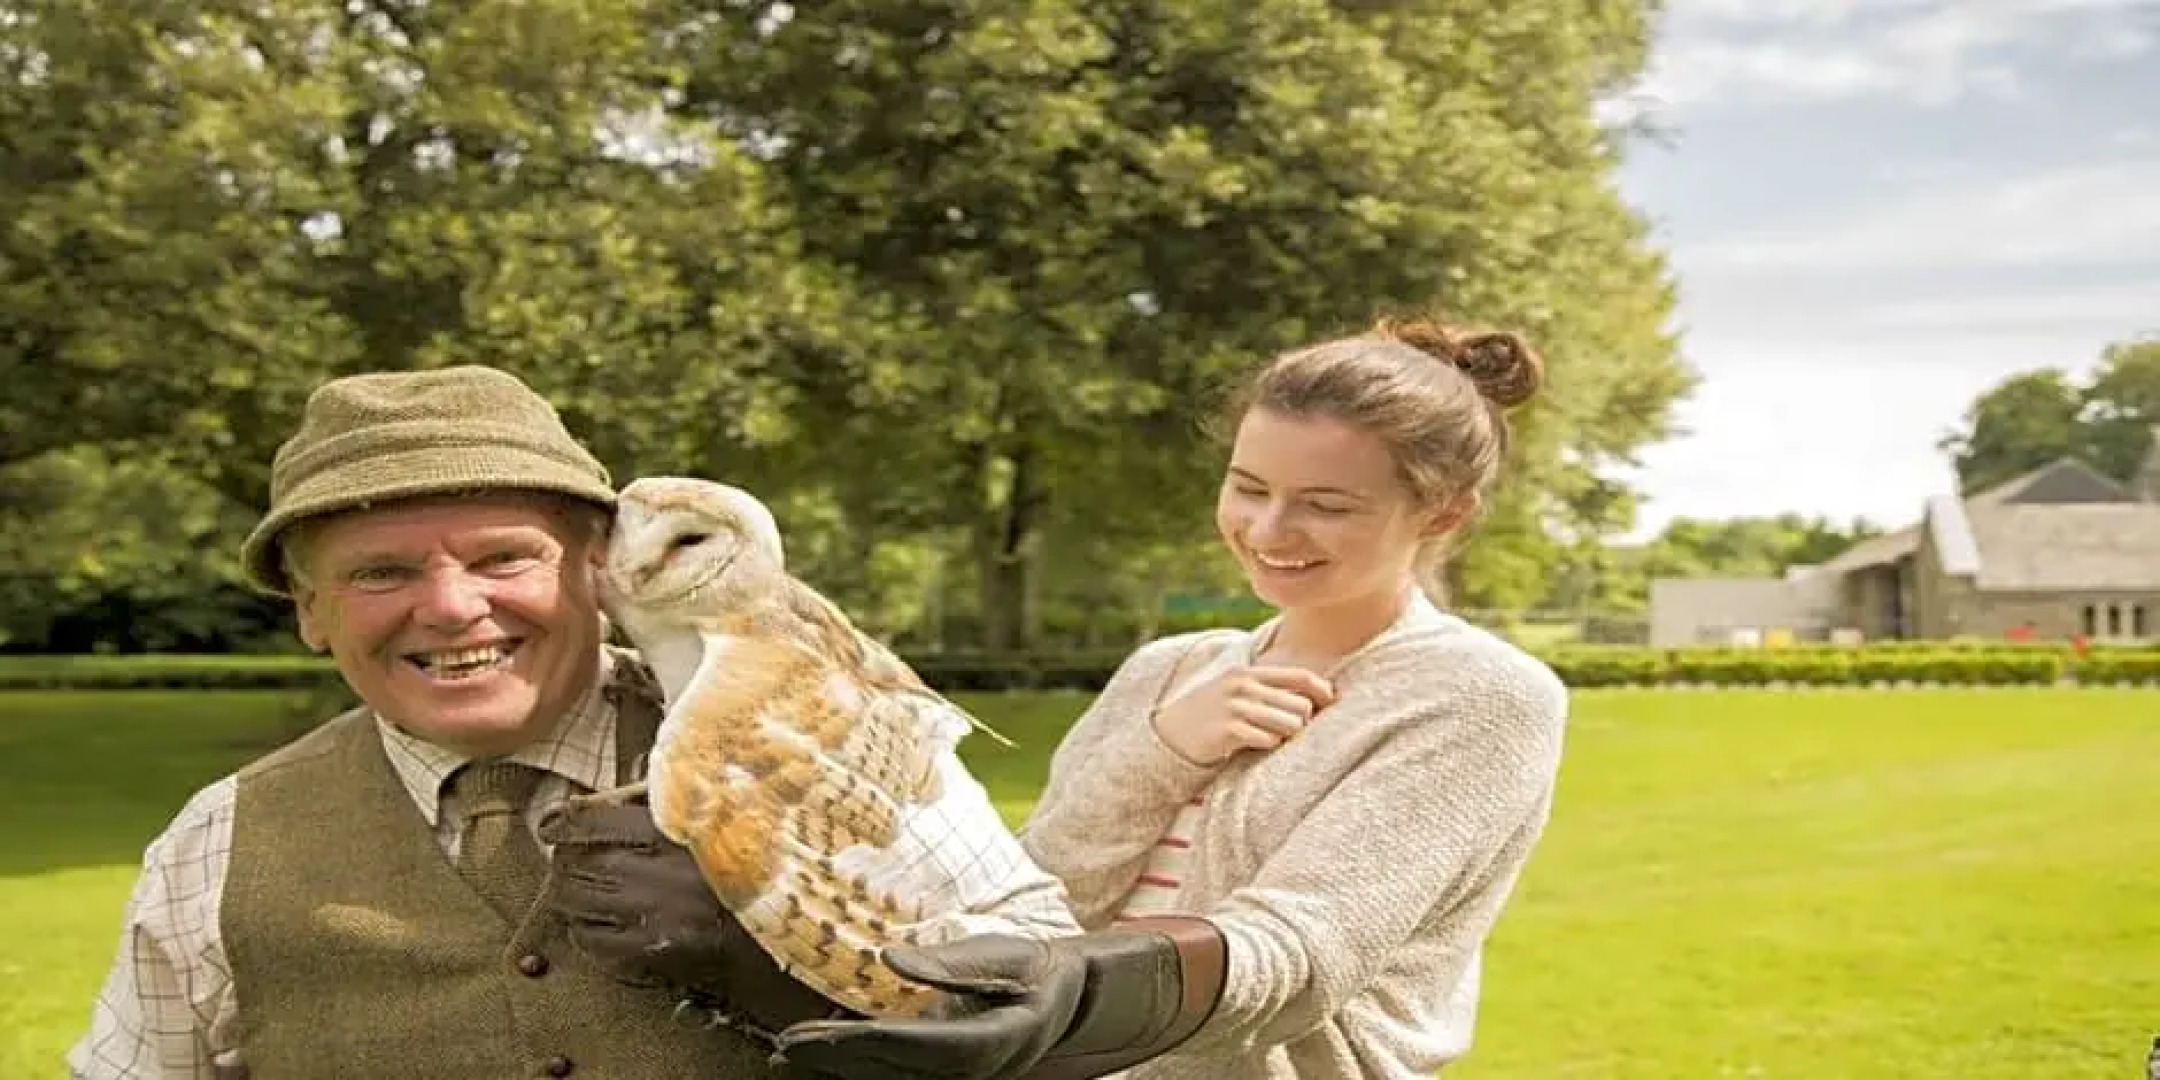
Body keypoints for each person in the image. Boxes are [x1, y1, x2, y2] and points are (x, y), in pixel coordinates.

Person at [555, 316, 1574, 1080]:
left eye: (1325, 504)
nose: (1269, 529)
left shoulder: (1481, 699)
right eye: (1248, 486)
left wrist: (1093, 987)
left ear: (1444, 509)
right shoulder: (1169, 670)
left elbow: (1308, 949)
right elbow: (1043, 893)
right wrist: (1166, 743)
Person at [65, 364, 1001, 1078]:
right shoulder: (216, 845)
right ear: (311, 611)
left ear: (599, 564)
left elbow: (1062, 997)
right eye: (380, 573)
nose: (451, 607)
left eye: (505, 558)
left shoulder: (815, 724)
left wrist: (791, 979)